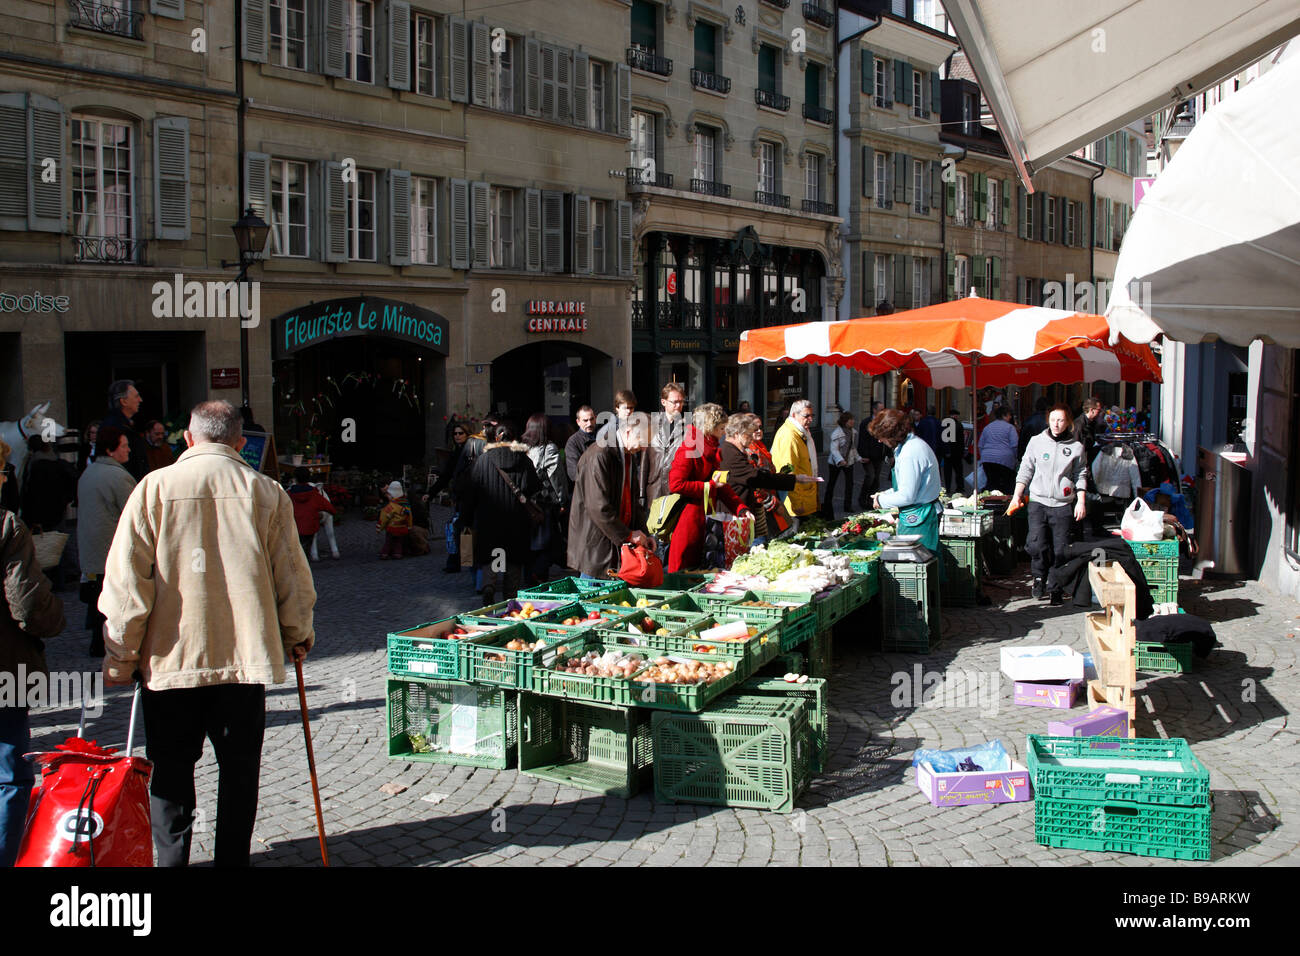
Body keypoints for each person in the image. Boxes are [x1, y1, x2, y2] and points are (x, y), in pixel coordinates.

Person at [99, 400, 315, 867]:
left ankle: (173, 861)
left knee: (172, 772)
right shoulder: (266, 491)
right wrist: (297, 634)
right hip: (243, 662)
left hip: (170, 663)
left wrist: (120, 655)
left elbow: (125, 586)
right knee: (239, 773)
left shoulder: (152, 488)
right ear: (240, 442)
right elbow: (292, 578)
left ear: (189, 439)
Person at [0, 438, 67, 867]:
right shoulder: (7, 526)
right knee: (8, 776)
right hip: (4, 671)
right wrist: (56, 615)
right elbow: (28, 607)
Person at [1010, 404, 1088, 603]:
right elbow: (1025, 469)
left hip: (1062, 504)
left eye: (1061, 420)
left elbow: (1081, 474)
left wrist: (1081, 501)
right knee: (1037, 545)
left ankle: (1056, 587)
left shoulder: (1076, 447)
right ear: (1048, 421)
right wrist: (1017, 495)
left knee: (1061, 548)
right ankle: (1038, 577)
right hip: (1038, 501)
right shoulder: (1036, 442)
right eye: (1053, 420)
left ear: (1068, 422)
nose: (1056, 424)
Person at [460, 422, 543, 604]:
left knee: (494, 557)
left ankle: (489, 586)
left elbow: (470, 494)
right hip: (516, 522)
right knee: (512, 562)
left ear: (495, 438)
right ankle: (509, 599)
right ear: (514, 438)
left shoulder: (483, 461)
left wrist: (465, 520)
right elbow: (534, 487)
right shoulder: (523, 461)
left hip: (489, 522)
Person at [567, 413, 655, 579]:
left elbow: (633, 501)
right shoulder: (600, 454)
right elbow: (598, 507)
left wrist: (644, 533)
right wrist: (628, 534)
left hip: (613, 543)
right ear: (628, 432)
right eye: (643, 441)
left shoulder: (626, 454)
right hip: (596, 548)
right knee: (592, 598)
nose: (644, 448)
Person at [76, 425, 136, 657]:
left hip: (91, 549)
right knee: (112, 600)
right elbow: (133, 514)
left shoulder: (89, 472)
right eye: (124, 446)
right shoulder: (118, 476)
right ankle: (109, 644)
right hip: (110, 550)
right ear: (111, 450)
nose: (128, 449)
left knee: (97, 600)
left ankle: (98, 642)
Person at [666, 404, 747, 572]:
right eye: (721, 428)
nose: (724, 432)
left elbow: (721, 485)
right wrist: (709, 486)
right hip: (688, 520)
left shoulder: (709, 448)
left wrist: (740, 509)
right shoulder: (691, 447)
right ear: (710, 427)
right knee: (686, 570)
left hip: (703, 518)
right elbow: (675, 483)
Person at [717, 413, 815, 546]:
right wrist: (794, 479)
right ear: (737, 433)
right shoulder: (731, 454)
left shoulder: (734, 450)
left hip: (742, 512)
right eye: (749, 434)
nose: (752, 437)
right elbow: (758, 478)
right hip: (735, 515)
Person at [871, 408, 943, 555]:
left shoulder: (909, 453)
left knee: (919, 562)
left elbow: (907, 495)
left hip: (919, 517)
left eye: (881, 436)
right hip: (920, 512)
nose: (879, 440)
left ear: (891, 434)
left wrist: (881, 500)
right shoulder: (911, 446)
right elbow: (910, 484)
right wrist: (887, 493)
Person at [522, 413, 567, 584]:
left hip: (525, 504)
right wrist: (562, 501)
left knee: (531, 546)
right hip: (544, 503)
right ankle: (538, 577)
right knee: (547, 545)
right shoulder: (549, 448)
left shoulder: (521, 447)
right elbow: (557, 478)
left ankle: (529, 580)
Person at [427, 422, 474, 573]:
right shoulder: (456, 453)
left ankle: (466, 561)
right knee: (457, 528)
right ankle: (458, 561)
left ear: (467, 435)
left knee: (465, 529)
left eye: (461, 433)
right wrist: (431, 492)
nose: (457, 436)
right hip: (460, 497)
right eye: (455, 434)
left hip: (471, 497)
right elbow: (446, 475)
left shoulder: (471, 452)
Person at [772, 399, 820, 519]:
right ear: (794, 415)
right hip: (797, 503)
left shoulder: (800, 432)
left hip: (805, 495)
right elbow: (788, 470)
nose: (810, 419)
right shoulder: (789, 436)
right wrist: (797, 502)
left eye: (812, 415)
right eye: (806, 416)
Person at [18, 435, 76, 533]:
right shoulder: (57, 463)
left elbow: (31, 493)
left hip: (38, 516)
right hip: (57, 513)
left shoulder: (35, 465)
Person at [102, 379, 150, 480]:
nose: (140, 400)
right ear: (123, 401)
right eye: (136, 396)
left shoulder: (125, 425)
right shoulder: (114, 428)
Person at [287, 466, 337, 559]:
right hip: (310, 529)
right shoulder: (314, 494)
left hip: (296, 528)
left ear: (295, 479)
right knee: (307, 545)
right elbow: (330, 508)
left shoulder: (289, 494)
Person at [648, 382, 687, 502]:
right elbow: (644, 460)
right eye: (674, 402)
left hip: (677, 489)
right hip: (654, 488)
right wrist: (640, 494)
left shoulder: (689, 426)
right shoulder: (651, 424)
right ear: (663, 402)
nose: (678, 405)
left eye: (681, 401)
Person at [822, 411, 858, 519]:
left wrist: (859, 458)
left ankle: (848, 506)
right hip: (835, 463)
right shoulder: (837, 433)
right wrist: (840, 460)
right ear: (844, 422)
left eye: (852, 419)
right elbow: (834, 450)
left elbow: (852, 448)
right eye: (850, 420)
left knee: (850, 483)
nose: (852, 421)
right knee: (831, 483)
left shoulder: (853, 432)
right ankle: (827, 504)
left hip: (848, 461)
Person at [979, 405, 1020, 493]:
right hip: (1005, 460)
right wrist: (1015, 458)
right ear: (1004, 415)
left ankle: (988, 499)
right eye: (1009, 415)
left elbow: (981, 444)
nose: (1010, 417)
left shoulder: (988, 427)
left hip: (987, 459)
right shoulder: (1010, 428)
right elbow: (1014, 445)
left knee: (991, 482)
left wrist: (983, 457)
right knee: (1006, 484)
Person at [856, 401, 889, 508]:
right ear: (874, 410)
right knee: (870, 476)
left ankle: (872, 501)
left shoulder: (883, 423)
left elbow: (886, 439)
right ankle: (862, 498)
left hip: (879, 455)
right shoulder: (866, 422)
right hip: (868, 456)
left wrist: (888, 454)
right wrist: (864, 455)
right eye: (881, 409)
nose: (883, 412)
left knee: (876, 479)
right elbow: (862, 441)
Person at [376, 480, 413, 559]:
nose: (387, 496)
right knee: (398, 542)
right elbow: (409, 516)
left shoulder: (391, 506)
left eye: (388, 494)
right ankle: (397, 553)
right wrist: (409, 526)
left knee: (388, 541)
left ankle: (384, 553)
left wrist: (379, 527)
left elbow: (384, 517)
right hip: (402, 527)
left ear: (392, 494)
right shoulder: (406, 504)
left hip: (392, 528)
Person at [564, 406, 599, 486]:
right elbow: (574, 473)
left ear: (595, 418)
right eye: (585, 420)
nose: (589, 423)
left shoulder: (603, 437)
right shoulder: (573, 442)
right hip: (585, 489)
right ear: (578, 422)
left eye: (591, 419)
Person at [939, 407, 966, 494]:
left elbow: (943, 439)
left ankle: (947, 488)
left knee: (947, 472)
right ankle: (960, 488)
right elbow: (961, 440)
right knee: (958, 472)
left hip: (947, 452)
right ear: (955, 416)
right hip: (957, 452)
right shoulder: (959, 425)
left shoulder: (944, 424)